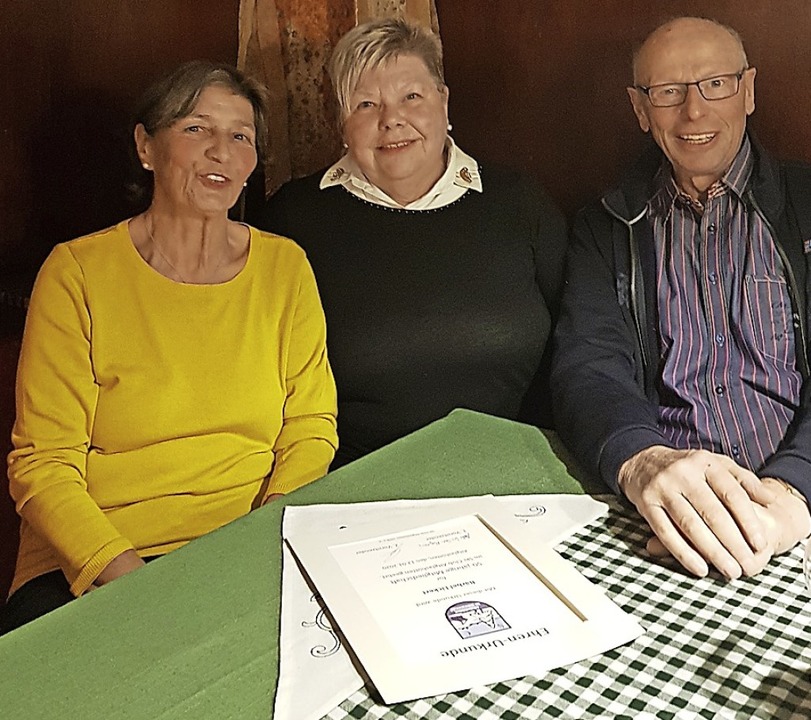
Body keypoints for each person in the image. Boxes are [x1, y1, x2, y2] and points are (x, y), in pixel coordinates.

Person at [0, 61, 337, 633]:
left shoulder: (285, 267)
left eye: (240, 136)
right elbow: (44, 465)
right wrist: (138, 583)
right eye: (196, 129)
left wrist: (263, 543)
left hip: (248, 547)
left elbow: (310, 427)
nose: (220, 152)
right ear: (146, 147)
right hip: (96, 566)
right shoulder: (77, 274)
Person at [553, 17, 811, 581]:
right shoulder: (607, 225)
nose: (693, 112)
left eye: (715, 84)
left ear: (748, 91)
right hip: (665, 519)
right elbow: (589, 367)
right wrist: (644, 462)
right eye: (667, 93)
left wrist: (795, 489)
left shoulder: (806, 205)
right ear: (641, 110)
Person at [249, 18, 567, 468]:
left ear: (444, 101)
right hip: (357, 487)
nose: (391, 119)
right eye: (365, 104)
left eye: (411, 97)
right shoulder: (293, 220)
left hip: (515, 476)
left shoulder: (520, 204)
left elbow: (575, 351)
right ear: (341, 123)